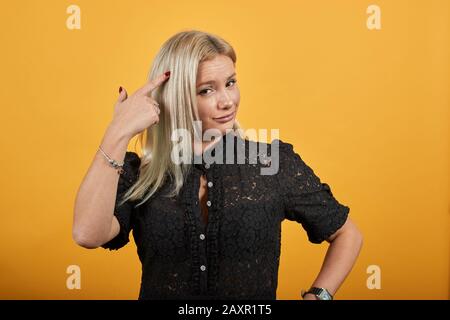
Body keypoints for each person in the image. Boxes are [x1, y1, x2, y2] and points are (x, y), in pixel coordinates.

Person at [72, 30, 363, 300]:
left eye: (231, 83)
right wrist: (117, 132)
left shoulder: (271, 163)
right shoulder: (138, 174)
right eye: (206, 90)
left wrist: (319, 296)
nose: (227, 101)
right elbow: (87, 234)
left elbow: (346, 234)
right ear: (176, 97)